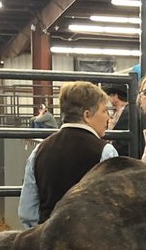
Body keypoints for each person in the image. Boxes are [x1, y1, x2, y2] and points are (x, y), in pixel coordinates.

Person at [19, 81, 118, 226]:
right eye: (104, 111)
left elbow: (27, 212)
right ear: (87, 115)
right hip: (88, 239)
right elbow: (112, 207)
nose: (108, 117)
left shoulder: (39, 150)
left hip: (46, 239)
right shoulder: (105, 152)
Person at [105, 85, 130, 156]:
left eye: (109, 95)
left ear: (115, 96)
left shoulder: (125, 113)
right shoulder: (126, 111)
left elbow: (121, 143)